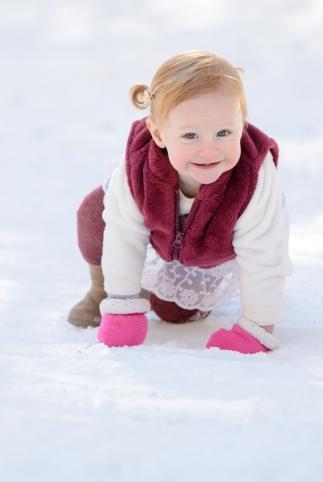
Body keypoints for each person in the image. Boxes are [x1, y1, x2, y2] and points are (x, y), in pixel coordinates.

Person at [66, 51, 289, 354]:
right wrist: (122, 306)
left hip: (209, 249)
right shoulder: (139, 165)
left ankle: (157, 289)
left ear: (242, 123)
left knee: (174, 313)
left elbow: (264, 253)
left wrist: (259, 328)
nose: (209, 150)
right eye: (190, 135)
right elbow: (123, 233)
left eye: (224, 132)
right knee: (95, 213)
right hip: (157, 229)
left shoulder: (254, 176)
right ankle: (100, 290)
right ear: (158, 133)